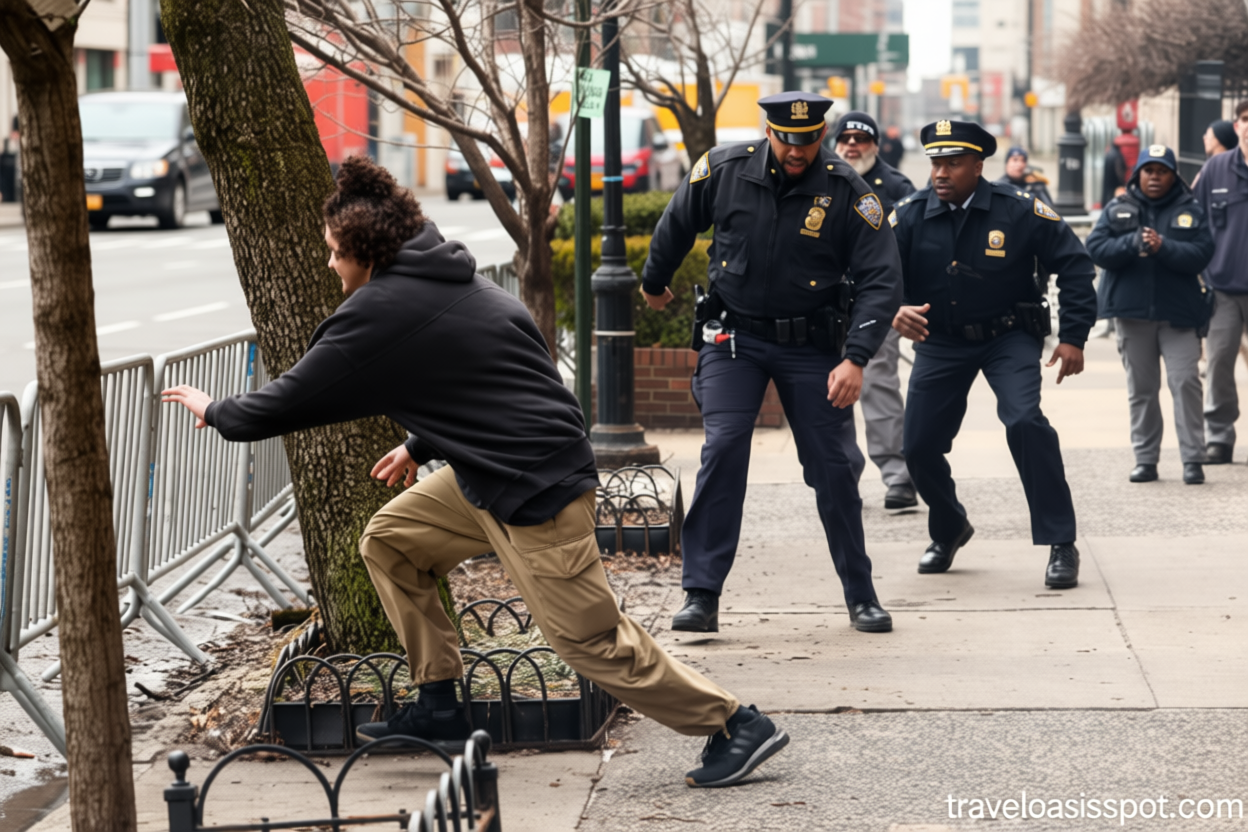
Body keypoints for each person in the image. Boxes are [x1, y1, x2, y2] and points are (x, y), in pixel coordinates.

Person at [163, 156, 789, 789]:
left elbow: (293, 398)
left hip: (536, 491)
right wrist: (421, 442)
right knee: (390, 541)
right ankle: (439, 704)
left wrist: (217, 410)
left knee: (591, 644)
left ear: (365, 251)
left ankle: (735, 724)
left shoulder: (380, 312)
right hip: (486, 476)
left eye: (333, 253)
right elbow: (483, 376)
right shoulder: (449, 273)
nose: (329, 265)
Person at [641, 92, 903, 635]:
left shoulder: (847, 191)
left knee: (833, 466)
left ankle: (861, 594)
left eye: (809, 141)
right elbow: (678, 220)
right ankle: (701, 593)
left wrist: (855, 358)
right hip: (732, 338)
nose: (797, 152)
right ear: (769, 131)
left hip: (811, 346)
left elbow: (882, 280)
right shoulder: (723, 168)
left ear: (821, 134)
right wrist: (654, 280)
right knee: (725, 444)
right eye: (787, 140)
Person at [890, 120, 1097, 589]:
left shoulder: (1019, 209)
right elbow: (875, 275)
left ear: (978, 166)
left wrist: (1074, 337)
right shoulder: (909, 215)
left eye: (953, 163)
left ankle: (1061, 542)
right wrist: (892, 311)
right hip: (940, 340)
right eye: (936, 163)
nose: (941, 173)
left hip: (1009, 335)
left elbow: (1076, 266)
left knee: (1025, 421)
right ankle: (949, 528)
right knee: (918, 446)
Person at [1086, 145, 1215, 485]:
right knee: (1142, 389)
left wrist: (1163, 246)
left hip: (1179, 316)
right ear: (1137, 174)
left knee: (1185, 382)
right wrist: (1132, 243)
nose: (1155, 177)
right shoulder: (1118, 208)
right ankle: (1145, 460)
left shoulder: (1191, 209)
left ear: (1173, 176)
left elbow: (1202, 253)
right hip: (1132, 316)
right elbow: (1095, 249)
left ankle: (1193, 459)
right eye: (1149, 170)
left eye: (1162, 171)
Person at [829, 110, 918, 511]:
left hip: (875, 301)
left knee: (878, 382)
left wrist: (900, 302)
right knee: (828, 390)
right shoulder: (815, 178)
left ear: (876, 145)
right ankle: (840, 472)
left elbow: (912, 252)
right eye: (845, 137)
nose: (852, 144)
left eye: (861, 139)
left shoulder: (897, 186)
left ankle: (897, 474)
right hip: (823, 303)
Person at [1192, 99, 1248, 466]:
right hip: (1224, 288)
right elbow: (1192, 220)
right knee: (1219, 366)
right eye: (1245, 119)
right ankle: (1219, 438)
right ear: (1237, 126)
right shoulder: (1215, 169)